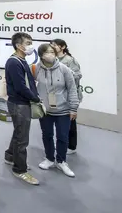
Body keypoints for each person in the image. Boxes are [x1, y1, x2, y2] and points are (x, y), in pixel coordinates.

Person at [35, 43, 79, 177]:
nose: (51, 55)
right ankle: (49, 158)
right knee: (47, 135)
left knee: (62, 137)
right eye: (47, 52)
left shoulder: (64, 69)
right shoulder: (37, 68)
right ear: (41, 55)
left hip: (63, 110)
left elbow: (72, 89)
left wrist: (73, 108)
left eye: (53, 52)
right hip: (45, 110)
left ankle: (61, 161)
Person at [4, 32, 41, 186]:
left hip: (22, 103)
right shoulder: (14, 62)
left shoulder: (22, 60)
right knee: (22, 138)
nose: (31, 46)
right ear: (19, 46)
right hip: (19, 104)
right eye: (28, 43)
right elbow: (20, 87)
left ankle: (10, 156)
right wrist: (35, 98)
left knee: (18, 132)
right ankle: (20, 169)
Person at [51, 38, 83, 155]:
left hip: (67, 95)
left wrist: (65, 73)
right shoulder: (52, 59)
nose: (52, 47)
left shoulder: (69, 60)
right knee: (56, 119)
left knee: (70, 120)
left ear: (62, 47)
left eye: (55, 45)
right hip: (54, 95)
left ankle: (71, 146)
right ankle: (61, 142)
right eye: (51, 45)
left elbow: (78, 76)